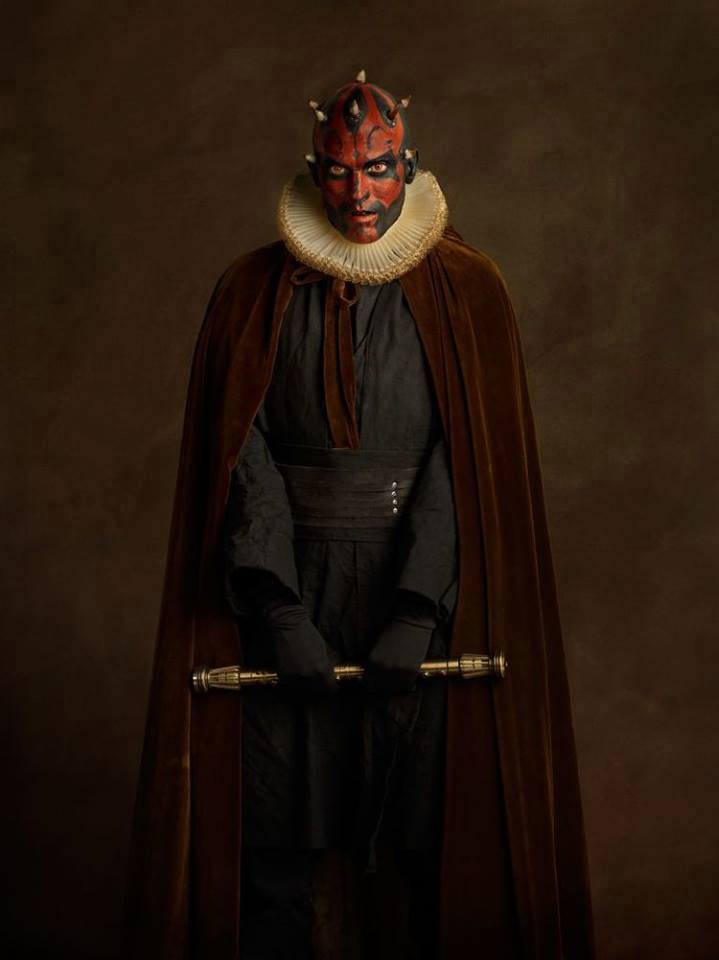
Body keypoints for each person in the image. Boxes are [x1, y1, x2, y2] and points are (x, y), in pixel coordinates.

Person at [125, 71, 595, 960]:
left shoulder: (469, 292)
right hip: (282, 599)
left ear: (408, 166)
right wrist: (276, 607)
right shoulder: (249, 293)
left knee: (423, 857)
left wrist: (419, 607)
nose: (359, 192)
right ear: (314, 170)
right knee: (271, 855)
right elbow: (241, 452)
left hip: (418, 604)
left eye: (378, 169)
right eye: (339, 172)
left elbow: (468, 461)